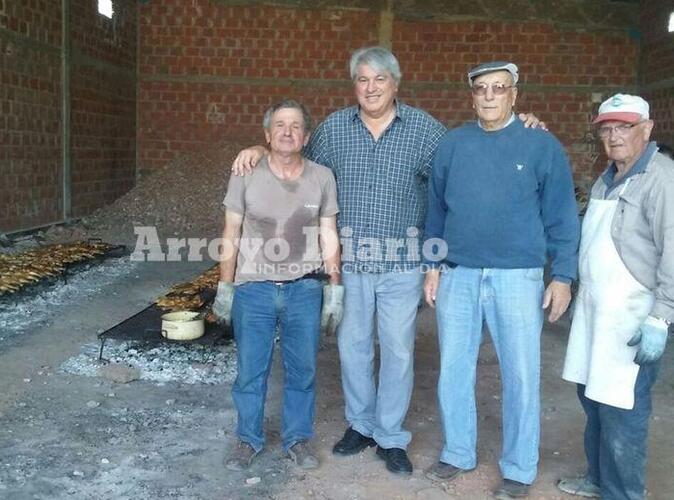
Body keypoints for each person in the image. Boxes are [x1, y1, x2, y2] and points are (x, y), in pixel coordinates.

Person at [232, 47, 544, 476]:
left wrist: (523, 127)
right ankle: (360, 425)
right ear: (354, 85)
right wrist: (256, 145)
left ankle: (390, 435)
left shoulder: (426, 131)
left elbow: (462, 166)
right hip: (351, 263)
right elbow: (295, 158)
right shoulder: (333, 130)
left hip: (402, 264)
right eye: (363, 79)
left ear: (395, 84)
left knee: (398, 351)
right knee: (353, 348)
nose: (371, 87)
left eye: (380, 79)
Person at [423, 61, 580, 499]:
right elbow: (435, 210)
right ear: (471, 95)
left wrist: (563, 276)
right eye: (481, 89)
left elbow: (563, 217)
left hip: (518, 277)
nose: (489, 96)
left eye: (499, 88)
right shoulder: (453, 145)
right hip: (458, 273)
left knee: (521, 374)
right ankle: (457, 452)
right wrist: (432, 265)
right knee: (453, 369)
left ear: (515, 94)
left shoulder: (541, 146)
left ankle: (519, 466)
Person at [212, 99, 343, 471]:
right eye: (280, 126)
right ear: (268, 135)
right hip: (254, 289)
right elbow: (231, 231)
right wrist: (226, 286)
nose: (288, 132)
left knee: (303, 371)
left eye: (296, 126)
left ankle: (298, 440)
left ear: (306, 136)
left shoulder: (322, 177)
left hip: (305, 289)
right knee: (251, 370)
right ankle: (247, 439)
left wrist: (335, 287)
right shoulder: (245, 174)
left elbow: (328, 234)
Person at [557, 94, 674, 500]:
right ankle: (597, 479)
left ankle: (623, 494)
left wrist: (662, 317)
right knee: (593, 400)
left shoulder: (662, 179)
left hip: (633, 318)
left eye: (624, 127)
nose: (614, 136)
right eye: (607, 128)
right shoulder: (608, 177)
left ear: (646, 128)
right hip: (594, 313)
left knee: (624, 409)